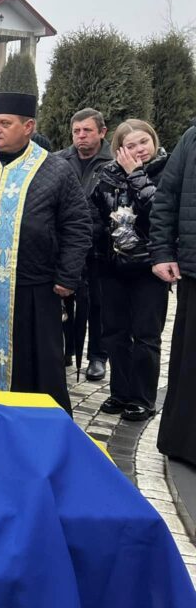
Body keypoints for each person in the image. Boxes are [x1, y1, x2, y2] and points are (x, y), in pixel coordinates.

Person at [0, 92, 91, 412]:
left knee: (38, 370)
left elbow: (77, 226)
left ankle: (39, 439)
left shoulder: (54, 169)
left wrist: (67, 276)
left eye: (5, 123)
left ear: (28, 126)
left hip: (33, 290)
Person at [91, 119, 169, 422]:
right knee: (114, 333)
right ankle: (120, 392)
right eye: (130, 145)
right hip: (113, 266)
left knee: (146, 335)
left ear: (153, 140)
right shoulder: (108, 174)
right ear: (119, 149)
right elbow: (96, 213)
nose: (138, 150)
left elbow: (158, 210)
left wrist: (135, 175)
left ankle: (143, 398)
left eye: (143, 142)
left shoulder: (166, 170)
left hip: (149, 267)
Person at [149, 125, 196, 466]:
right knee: (191, 360)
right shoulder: (192, 137)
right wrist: (163, 252)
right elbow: (167, 196)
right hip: (195, 268)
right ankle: (186, 443)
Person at [56, 108, 114, 381]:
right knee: (65, 300)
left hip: (102, 247)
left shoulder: (112, 162)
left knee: (98, 304)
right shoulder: (58, 161)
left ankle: (97, 356)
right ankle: (66, 349)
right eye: (76, 131)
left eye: (87, 130)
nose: (81, 136)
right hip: (67, 245)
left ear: (102, 132)